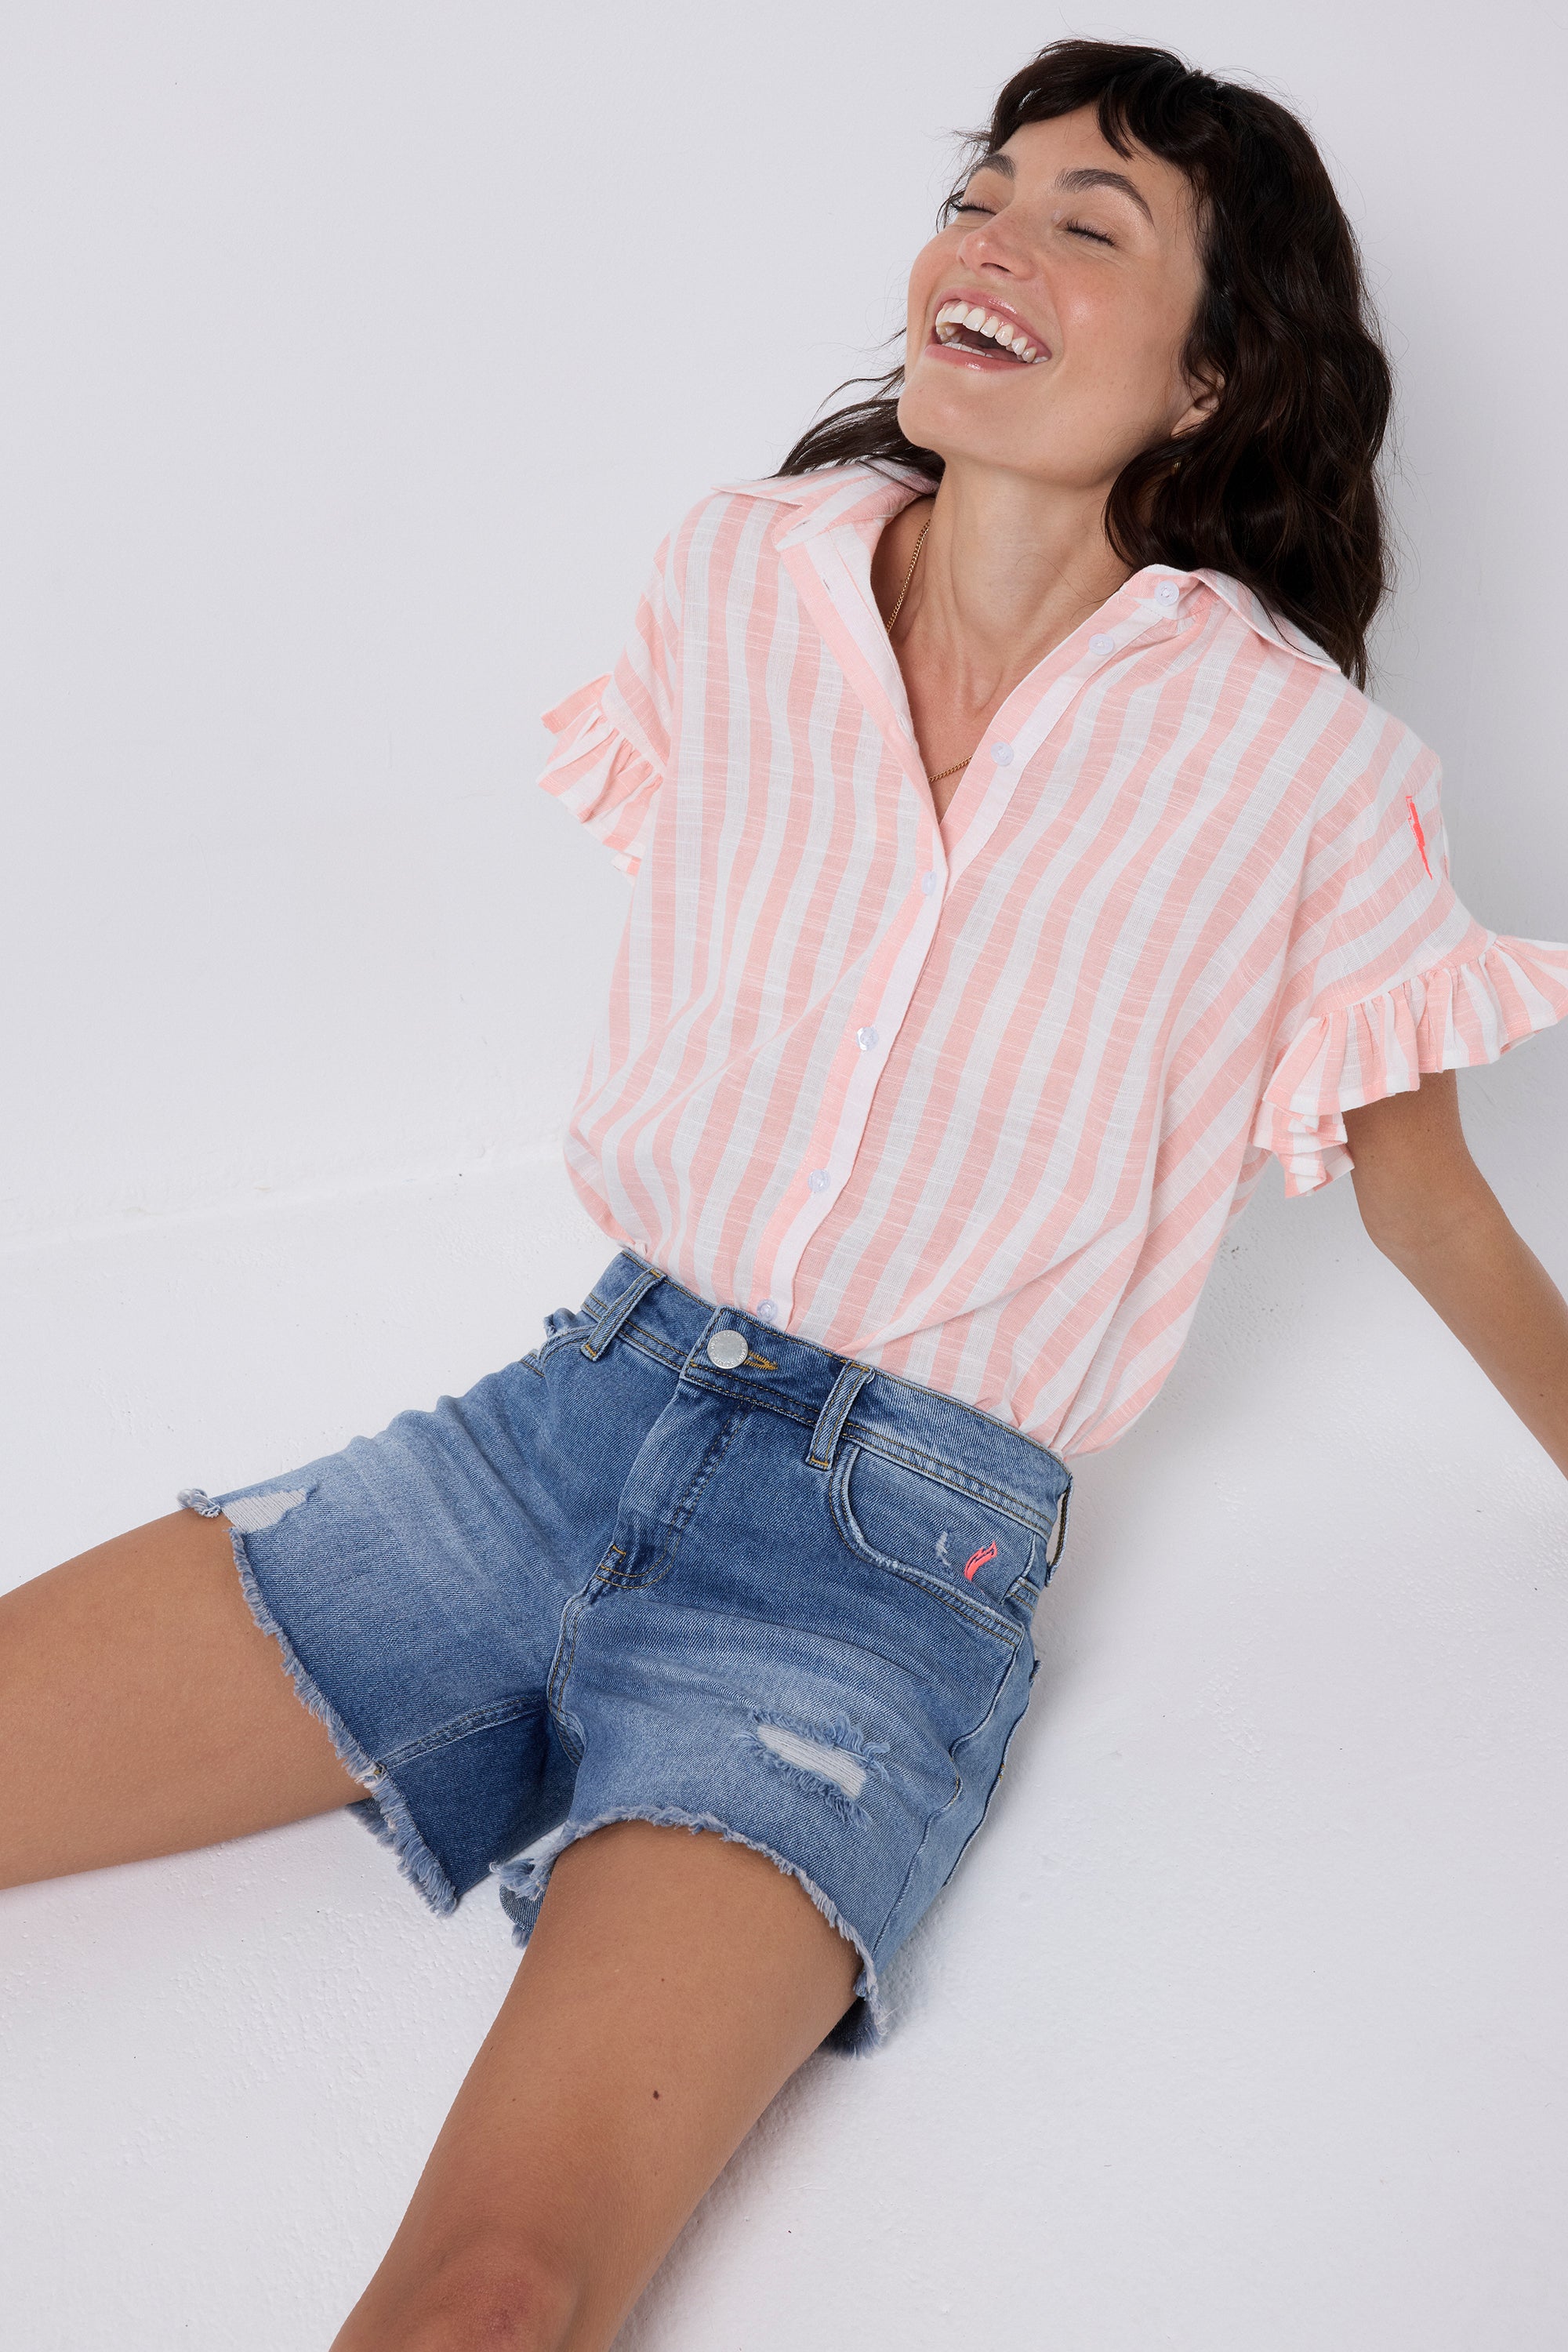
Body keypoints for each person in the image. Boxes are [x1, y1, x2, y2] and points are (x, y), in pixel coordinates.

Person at [5, 36, 1566, 2352]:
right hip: (555, 1429)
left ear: (1213, 378)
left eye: (1089, 222)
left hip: (870, 1581)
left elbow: (1430, 1205)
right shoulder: (745, 579)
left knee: (497, 2292)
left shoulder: (1303, 773)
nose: (993, 240)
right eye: (982, 190)